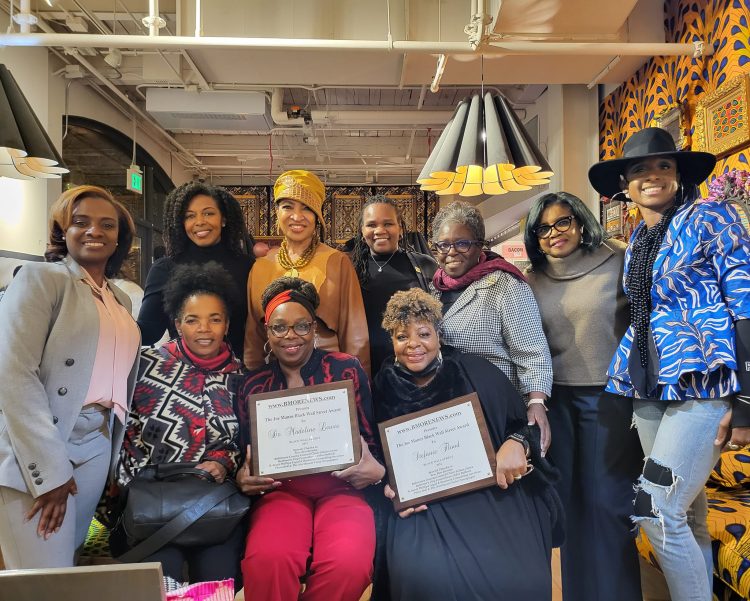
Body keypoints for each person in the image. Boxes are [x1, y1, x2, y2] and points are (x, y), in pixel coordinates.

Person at [588, 126, 750, 601]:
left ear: (679, 174)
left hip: (703, 383)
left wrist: (744, 400)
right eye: (639, 169)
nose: (652, 176)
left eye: (663, 166)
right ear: (626, 184)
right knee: (688, 517)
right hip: (649, 391)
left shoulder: (711, 216)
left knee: (654, 507)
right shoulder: (638, 238)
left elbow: (745, 303)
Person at [372, 288, 561, 600]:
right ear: (392, 342)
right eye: (402, 337)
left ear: (439, 335)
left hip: (487, 490)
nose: (414, 345)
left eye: (423, 334)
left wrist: (516, 443)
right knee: (422, 571)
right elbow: (379, 451)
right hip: (424, 501)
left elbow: (523, 427)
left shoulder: (475, 370)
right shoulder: (384, 385)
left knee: (518, 574)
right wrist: (389, 484)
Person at [0, 185, 140, 569]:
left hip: (97, 439)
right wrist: (50, 470)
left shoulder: (120, 299)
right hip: (47, 439)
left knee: (70, 565)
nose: (94, 231)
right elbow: (13, 376)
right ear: (63, 230)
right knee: (43, 578)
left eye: (107, 225)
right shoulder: (39, 279)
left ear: (119, 238)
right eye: (81, 222)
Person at [524, 192, 642, 601]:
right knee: (570, 506)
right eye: (543, 228)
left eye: (563, 222)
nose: (554, 233)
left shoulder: (618, 259)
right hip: (557, 404)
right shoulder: (530, 278)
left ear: (581, 223)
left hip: (610, 398)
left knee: (609, 506)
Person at [236, 277, 384, 601]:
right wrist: (242, 476)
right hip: (281, 491)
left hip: (342, 486)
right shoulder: (252, 386)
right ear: (266, 332)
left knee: (349, 564)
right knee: (268, 560)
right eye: (279, 327)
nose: (291, 336)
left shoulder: (346, 369)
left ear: (315, 328)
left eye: (301, 326)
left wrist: (376, 471)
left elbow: (371, 439)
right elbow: (244, 454)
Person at [115, 262, 244, 585]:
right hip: (152, 504)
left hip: (212, 505)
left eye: (215, 319)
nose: (204, 329)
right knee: (161, 582)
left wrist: (223, 462)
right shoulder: (145, 365)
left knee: (218, 582)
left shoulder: (240, 377)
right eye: (193, 320)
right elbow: (124, 434)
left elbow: (245, 442)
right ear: (177, 324)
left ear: (226, 324)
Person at [430, 201, 553, 453]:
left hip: (496, 406)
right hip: (448, 408)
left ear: (479, 246)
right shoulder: (433, 290)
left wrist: (537, 402)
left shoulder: (506, 286)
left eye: (462, 243)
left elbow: (531, 351)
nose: (451, 251)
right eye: (443, 244)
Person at [244, 170, 370, 373]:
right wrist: (251, 388)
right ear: (277, 212)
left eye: (306, 208)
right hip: (274, 381)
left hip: (329, 379)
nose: (297, 216)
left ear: (317, 215)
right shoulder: (260, 267)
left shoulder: (337, 262)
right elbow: (254, 340)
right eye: (287, 207)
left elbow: (355, 335)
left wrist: (356, 386)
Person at [138, 182, 255, 357]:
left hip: (235, 374)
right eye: (189, 216)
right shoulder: (165, 269)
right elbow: (148, 332)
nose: (199, 222)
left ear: (223, 219)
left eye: (208, 213)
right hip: (181, 375)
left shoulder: (248, 267)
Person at [349, 195, 437, 376]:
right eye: (371, 225)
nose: (379, 230)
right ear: (361, 230)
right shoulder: (349, 268)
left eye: (388, 224)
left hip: (414, 367)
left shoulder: (425, 265)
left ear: (400, 228)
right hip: (362, 368)